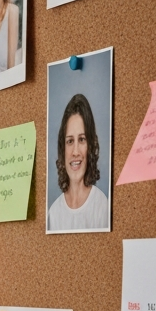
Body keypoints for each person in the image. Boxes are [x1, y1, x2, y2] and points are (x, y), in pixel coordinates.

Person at [47, 93, 109, 232]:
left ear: (91, 145)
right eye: (70, 141)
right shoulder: (54, 213)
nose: (75, 152)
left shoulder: (102, 206)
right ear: (63, 149)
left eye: (82, 139)